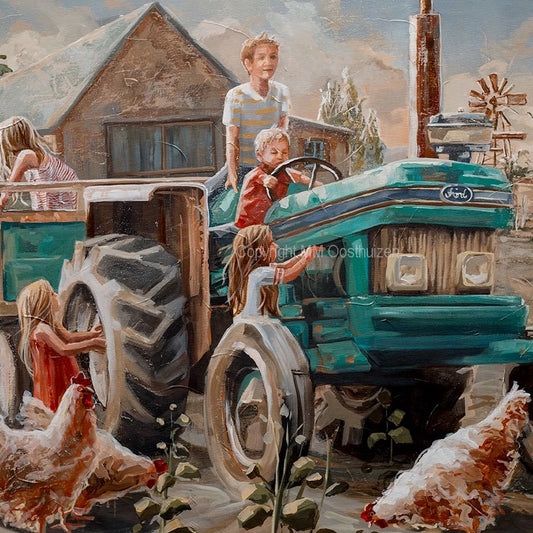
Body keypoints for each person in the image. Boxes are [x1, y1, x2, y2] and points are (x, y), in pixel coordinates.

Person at [206, 33, 291, 201]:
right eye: (261, 58)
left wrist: (279, 165)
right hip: (243, 165)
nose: (268, 62)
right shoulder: (236, 95)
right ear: (248, 64)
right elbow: (232, 140)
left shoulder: (281, 92)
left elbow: (282, 134)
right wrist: (232, 173)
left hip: (271, 165)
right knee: (207, 194)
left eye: (273, 57)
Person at [17, 279, 106, 412]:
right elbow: (64, 349)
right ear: (43, 302)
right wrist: (93, 343)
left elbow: (69, 338)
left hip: (63, 374)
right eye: (52, 294)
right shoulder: (41, 329)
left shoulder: (52, 324)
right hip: (54, 379)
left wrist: (91, 334)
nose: (57, 295)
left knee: (69, 406)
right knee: (60, 408)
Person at [227, 224, 323, 318]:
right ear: (261, 250)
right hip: (253, 324)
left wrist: (302, 255)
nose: (276, 246)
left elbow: (286, 265)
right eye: (271, 243)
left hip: (248, 323)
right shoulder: (260, 273)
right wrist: (306, 258)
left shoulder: (254, 271)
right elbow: (289, 274)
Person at [235, 127, 317, 228]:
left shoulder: (284, 172)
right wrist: (267, 180)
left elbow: (302, 179)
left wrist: (317, 184)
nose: (280, 156)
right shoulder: (256, 174)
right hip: (249, 225)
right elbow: (263, 178)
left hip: (272, 222)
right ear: (259, 155)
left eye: (284, 153)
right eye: (274, 152)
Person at [0, 116, 78, 211]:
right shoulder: (34, 154)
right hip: (61, 198)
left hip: (60, 202)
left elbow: (9, 187)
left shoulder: (26, 155)